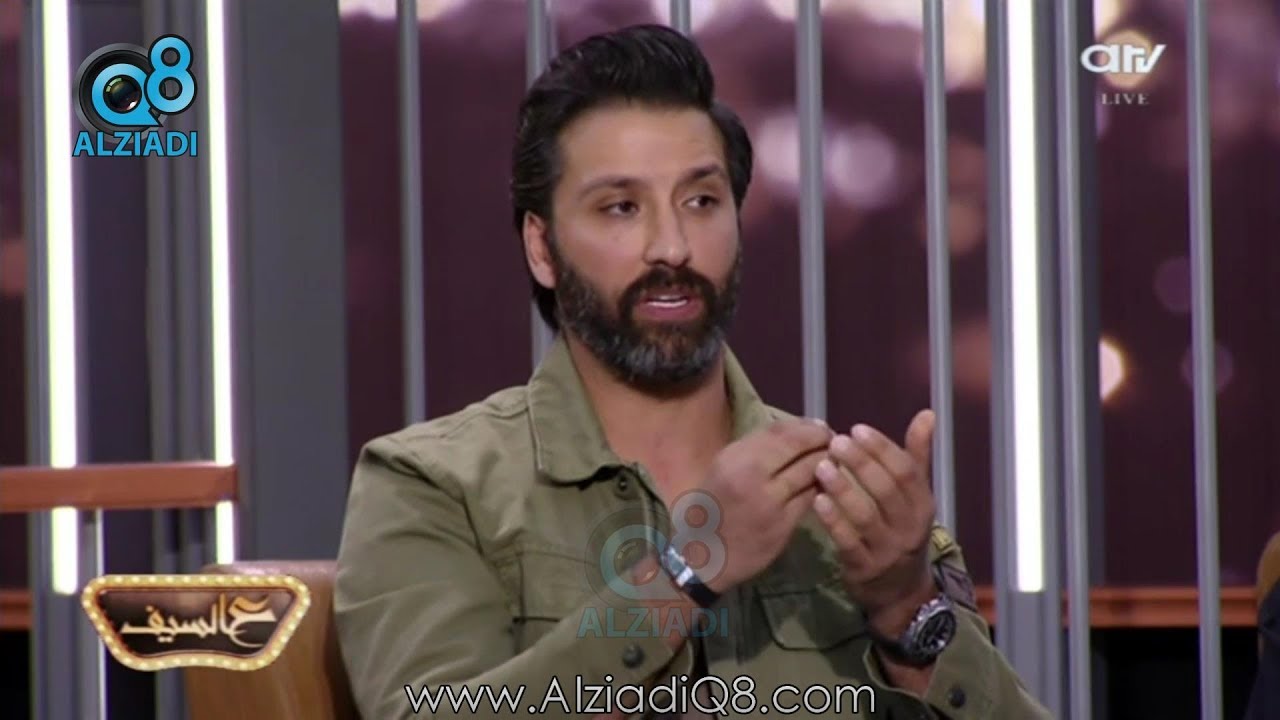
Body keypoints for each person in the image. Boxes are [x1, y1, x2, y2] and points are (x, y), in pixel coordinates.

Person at [334, 23, 1050, 719]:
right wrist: (686, 572)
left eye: (701, 201)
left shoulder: (851, 504)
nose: (672, 246)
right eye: (621, 207)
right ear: (542, 248)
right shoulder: (433, 487)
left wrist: (905, 612)